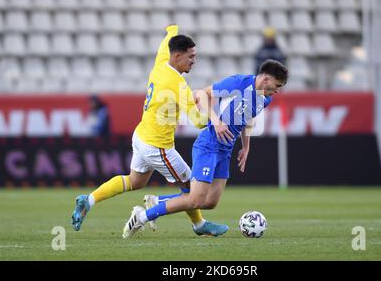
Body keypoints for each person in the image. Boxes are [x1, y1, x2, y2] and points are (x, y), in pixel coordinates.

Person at [71, 25, 231, 237]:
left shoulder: (160, 65)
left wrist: (171, 32)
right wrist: (213, 114)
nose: (194, 60)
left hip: (141, 136)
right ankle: (198, 224)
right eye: (191, 56)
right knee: (192, 189)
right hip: (159, 146)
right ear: (178, 56)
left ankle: (89, 199)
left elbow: (165, 44)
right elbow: (199, 122)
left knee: (134, 181)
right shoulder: (179, 85)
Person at [122, 59, 289, 238]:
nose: (278, 91)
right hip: (209, 144)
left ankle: (157, 201)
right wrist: (216, 122)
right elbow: (201, 94)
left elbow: (247, 118)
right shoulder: (239, 83)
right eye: (277, 85)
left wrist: (245, 147)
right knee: (195, 199)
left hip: (226, 150)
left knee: (210, 202)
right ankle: (142, 216)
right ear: (265, 79)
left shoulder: (266, 99)